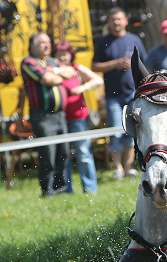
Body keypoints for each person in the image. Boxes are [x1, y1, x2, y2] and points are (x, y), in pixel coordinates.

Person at [92, 7, 147, 180]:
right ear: (108, 22)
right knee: (116, 131)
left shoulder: (134, 39)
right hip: (113, 97)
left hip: (132, 93)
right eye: (113, 19)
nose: (116, 22)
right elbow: (95, 67)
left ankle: (129, 167)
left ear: (125, 21)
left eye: (119, 19)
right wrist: (115, 64)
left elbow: (143, 64)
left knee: (131, 131)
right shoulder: (103, 42)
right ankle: (117, 168)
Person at [21, 32, 74, 196]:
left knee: (63, 153)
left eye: (48, 42)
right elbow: (47, 80)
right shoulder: (28, 62)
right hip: (43, 117)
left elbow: (71, 72)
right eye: (42, 42)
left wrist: (54, 71)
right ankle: (48, 191)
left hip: (60, 115)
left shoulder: (52, 62)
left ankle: (62, 189)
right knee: (48, 155)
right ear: (32, 45)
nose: (47, 45)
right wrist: (57, 75)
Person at [54, 41, 102, 195]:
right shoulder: (52, 71)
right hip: (59, 118)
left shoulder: (76, 69)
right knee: (64, 156)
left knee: (83, 153)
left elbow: (98, 80)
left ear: (71, 55)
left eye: (65, 53)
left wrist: (82, 88)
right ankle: (66, 190)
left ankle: (90, 189)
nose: (62, 57)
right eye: (59, 54)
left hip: (78, 118)